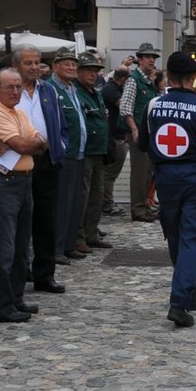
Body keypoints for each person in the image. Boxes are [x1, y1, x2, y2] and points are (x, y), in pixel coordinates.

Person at [141, 53, 196, 327]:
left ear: (167, 75)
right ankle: (179, 301)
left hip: (165, 177)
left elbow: (144, 144)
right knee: (193, 236)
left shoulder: (152, 105)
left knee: (175, 235)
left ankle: (189, 292)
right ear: (193, 78)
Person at [0, 69, 46, 323]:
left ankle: (15, 298)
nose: (16, 91)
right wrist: (28, 142)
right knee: (2, 248)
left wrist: (29, 142)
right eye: (10, 87)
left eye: (18, 87)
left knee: (19, 247)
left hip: (22, 182)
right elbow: (24, 145)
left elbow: (41, 143)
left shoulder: (19, 113)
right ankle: (1, 306)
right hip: (0, 184)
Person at [15, 47, 66, 296]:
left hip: (45, 160)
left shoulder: (48, 89)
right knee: (19, 218)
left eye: (37, 63)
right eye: (28, 63)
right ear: (17, 66)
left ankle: (45, 274)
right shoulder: (11, 90)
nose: (34, 67)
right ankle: (20, 269)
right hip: (17, 159)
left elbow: (59, 121)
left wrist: (60, 145)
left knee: (46, 220)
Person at [48, 48, 88, 266]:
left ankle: (69, 244)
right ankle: (57, 247)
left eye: (74, 64)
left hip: (79, 153)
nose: (72, 68)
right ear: (55, 67)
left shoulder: (73, 89)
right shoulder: (51, 89)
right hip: (65, 154)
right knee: (62, 203)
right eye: (67, 64)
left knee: (75, 202)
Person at [119, 44, 163, 222]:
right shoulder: (133, 79)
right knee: (139, 171)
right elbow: (125, 107)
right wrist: (134, 129)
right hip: (138, 130)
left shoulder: (147, 80)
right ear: (139, 59)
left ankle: (145, 205)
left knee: (147, 171)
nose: (151, 59)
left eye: (153, 57)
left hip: (148, 131)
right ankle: (137, 209)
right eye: (147, 56)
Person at [74, 53, 112, 253]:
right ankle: (79, 236)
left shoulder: (96, 92)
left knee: (97, 194)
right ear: (78, 71)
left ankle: (91, 233)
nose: (93, 74)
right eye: (88, 70)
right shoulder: (76, 92)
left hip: (99, 149)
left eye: (96, 70)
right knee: (83, 195)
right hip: (86, 150)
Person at [101, 67, 128, 217]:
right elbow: (124, 105)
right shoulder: (110, 90)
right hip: (113, 137)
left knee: (110, 173)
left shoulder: (113, 88)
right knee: (110, 173)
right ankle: (107, 203)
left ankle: (106, 202)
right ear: (123, 80)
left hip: (118, 136)